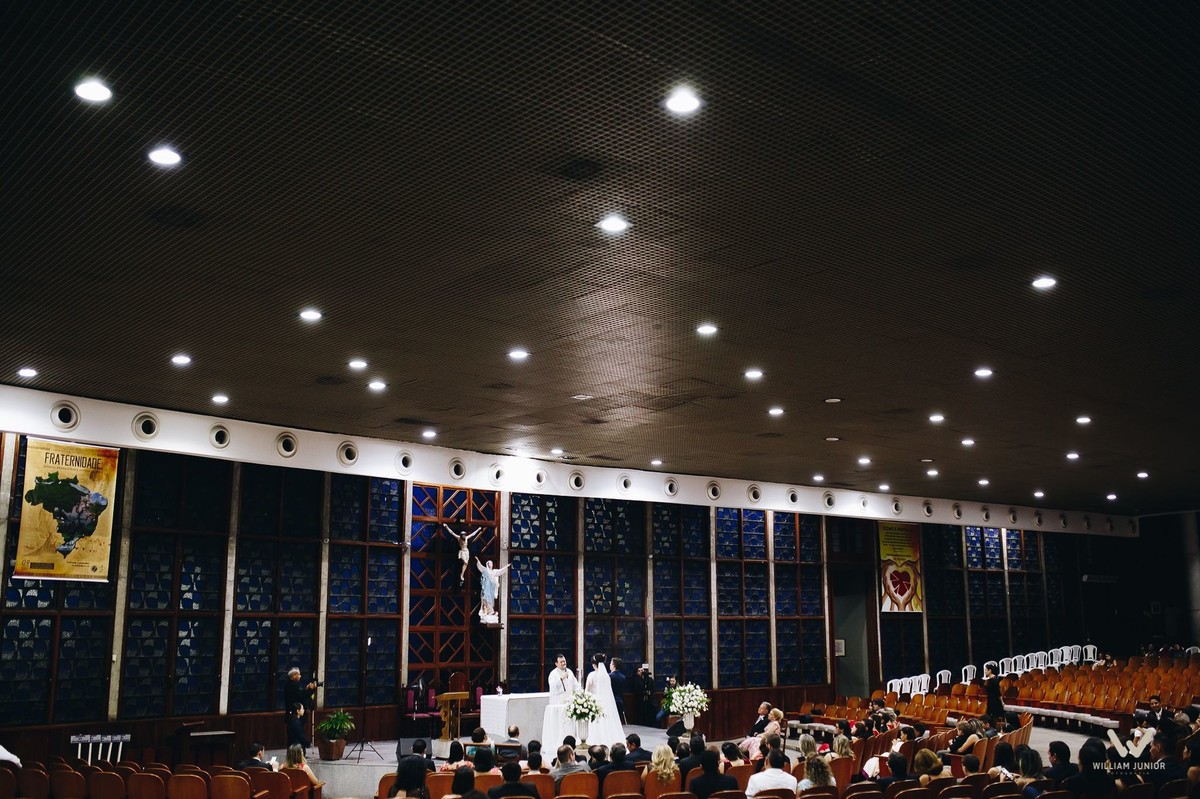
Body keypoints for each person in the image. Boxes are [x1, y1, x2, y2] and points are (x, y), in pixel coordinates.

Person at [584, 653, 624, 746]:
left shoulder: (592, 675)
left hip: (594, 704)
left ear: (594, 664)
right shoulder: (607, 676)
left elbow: (587, 691)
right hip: (606, 704)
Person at [543, 654, 581, 749]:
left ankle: (571, 742)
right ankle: (559, 742)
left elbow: (576, 685)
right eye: (561, 662)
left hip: (569, 703)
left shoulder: (570, 672)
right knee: (560, 725)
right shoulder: (553, 674)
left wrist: (579, 693)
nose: (563, 663)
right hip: (558, 703)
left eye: (564, 661)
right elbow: (553, 688)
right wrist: (561, 679)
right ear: (556, 663)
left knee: (570, 724)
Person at [476, 557, 511, 621]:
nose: (491, 564)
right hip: (486, 588)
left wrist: (506, 566)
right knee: (486, 598)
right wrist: (478, 561)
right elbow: (480, 566)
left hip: (491, 588)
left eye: (491, 563)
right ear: (488, 564)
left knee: (491, 600)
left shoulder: (494, 571)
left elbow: (499, 571)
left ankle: (490, 611)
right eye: (490, 563)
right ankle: (487, 611)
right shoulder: (486, 570)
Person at [609, 657, 628, 724]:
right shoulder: (623, 677)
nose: (610, 665)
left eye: (611, 663)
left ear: (614, 665)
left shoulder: (609, 676)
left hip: (611, 700)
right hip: (620, 700)